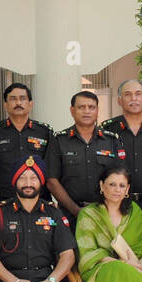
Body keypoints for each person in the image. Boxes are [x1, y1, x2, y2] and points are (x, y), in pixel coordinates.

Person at [46, 90, 123, 225]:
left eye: (91, 107)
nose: (87, 111)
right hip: (69, 215)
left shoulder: (111, 140)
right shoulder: (59, 140)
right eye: (81, 107)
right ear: (72, 110)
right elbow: (52, 181)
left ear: (97, 110)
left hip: (105, 214)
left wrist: (107, 208)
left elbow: (119, 178)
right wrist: (76, 210)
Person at [100, 78, 142, 234]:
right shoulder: (107, 130)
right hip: (117, 205)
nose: (133, 99)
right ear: (119, 101)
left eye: (138, 94)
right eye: (128, 95)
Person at [0, 82, 52, 203]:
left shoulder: (44, 132)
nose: (18, 103)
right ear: (5, 104)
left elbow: (52, 167)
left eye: (23, 98)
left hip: (40, 200)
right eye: (13, 99)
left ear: (31, 104)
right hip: (6, 200)